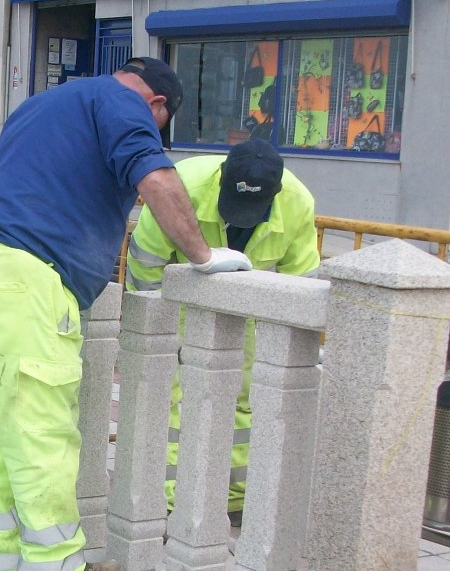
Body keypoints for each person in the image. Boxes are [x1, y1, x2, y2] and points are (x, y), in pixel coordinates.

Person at [0, 58, 251, 571]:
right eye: (160, 125)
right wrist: (203, 255)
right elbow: (156, 178)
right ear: (158, 104)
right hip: (25, 278)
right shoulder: (124, 104)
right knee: (40, 428)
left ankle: (4, 566)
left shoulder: (44, 102)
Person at [125, 139, 319, 520]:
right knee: (171, 399)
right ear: (221, 179)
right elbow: (146, 262)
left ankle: (235, 499)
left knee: (246, 400)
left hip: (249, 318)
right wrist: (153, 333)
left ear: (275, 194)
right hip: (181, 310)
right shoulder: (181, 187)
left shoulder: (297, 204)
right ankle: (168, 499)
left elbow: (304, 286)